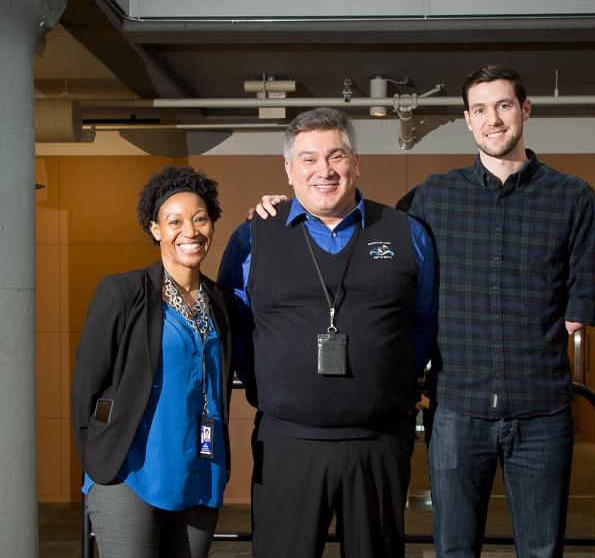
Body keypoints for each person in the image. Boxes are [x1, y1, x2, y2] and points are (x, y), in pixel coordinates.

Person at [217, 107, 436, 557]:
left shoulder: (406, 232)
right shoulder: (254, 235)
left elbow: (424, 322)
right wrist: (270, 385)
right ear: (289, 170)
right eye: (309, 159)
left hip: (379, 442)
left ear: (355, 162)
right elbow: (235, 325)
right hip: (287, 442)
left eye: (335, 156)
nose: (324, 170)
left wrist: (384, 382)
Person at [410, 65, 595, 557]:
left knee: (541, 551)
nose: (493, 119)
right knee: (454, 550)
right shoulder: (433, 196)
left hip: (542, 409)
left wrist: (573, 310)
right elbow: (377, 246)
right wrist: (287, 207)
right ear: (468, 121)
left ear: (525, 110)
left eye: (503, 105)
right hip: (456, 408)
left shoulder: (573, 197)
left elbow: (584, 287)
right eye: (480, 109)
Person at [70, 166, 233, 558]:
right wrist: (98, 456)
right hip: (129, 471)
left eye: (200, 219)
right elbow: (86, 386)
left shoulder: (220, 302)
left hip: (199, 469)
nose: (189, 231)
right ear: (155, 228)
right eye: (174, 221)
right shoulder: (122, 292)